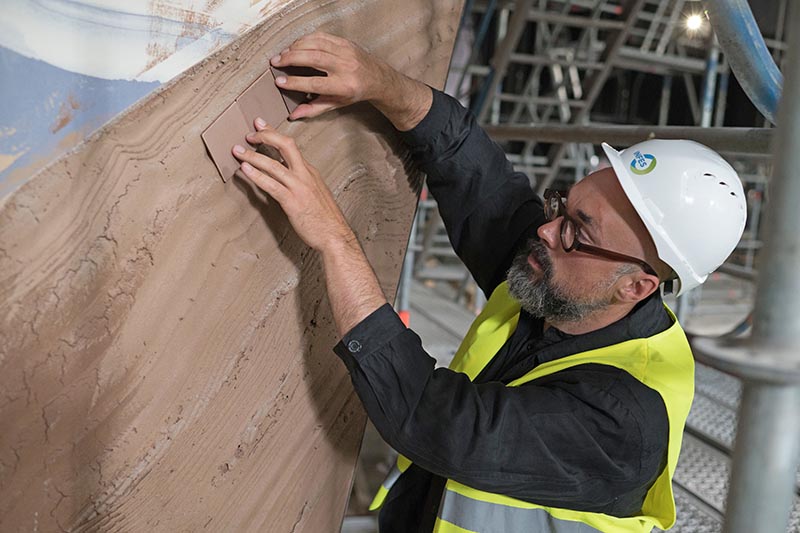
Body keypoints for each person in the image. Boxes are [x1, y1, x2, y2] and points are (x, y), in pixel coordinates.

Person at [231, 32, 747, 533]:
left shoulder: (620, 422)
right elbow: (471, 168)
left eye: (574, 230)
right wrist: (380, 82)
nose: (544, 231)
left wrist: (335, 239)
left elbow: (430, 417)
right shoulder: (565, 281)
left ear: (637, 286)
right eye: (563, 206)